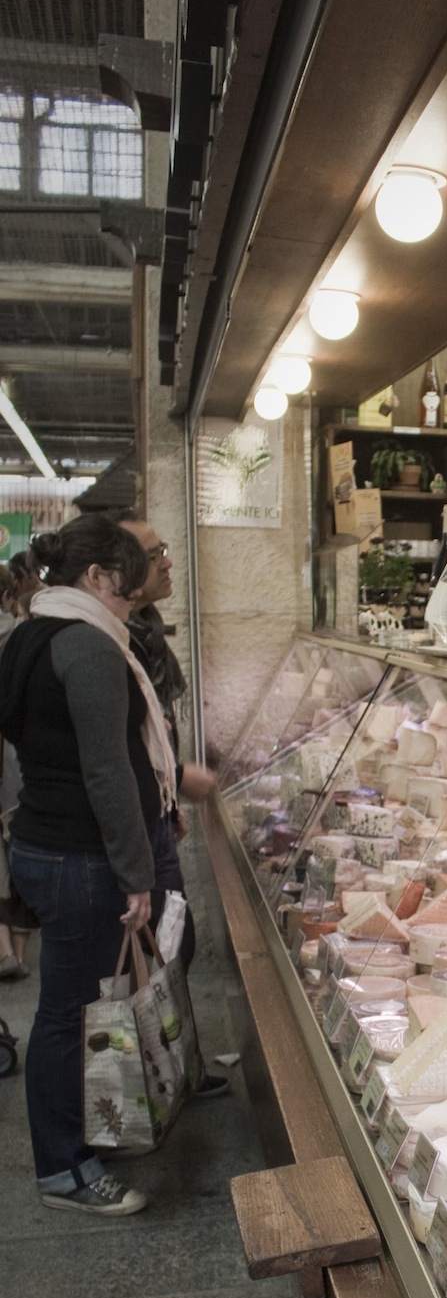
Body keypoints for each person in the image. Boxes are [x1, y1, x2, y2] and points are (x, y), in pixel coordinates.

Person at [0, 516, 200, 1214]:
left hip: (43, 843)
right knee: (66, 1016)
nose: (133, 595)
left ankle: (79, 1139)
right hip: (79, 856)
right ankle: (64, 1171)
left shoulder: (29, 633)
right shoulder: (87, 645)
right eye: (127, 581)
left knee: (69, 1010)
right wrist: (135, 874)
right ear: (94, 578)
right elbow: (108, 771)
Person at [114, 511, 227, 1099]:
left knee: (174, 940)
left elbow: (161, 722)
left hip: (156, 809)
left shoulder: (148, 629)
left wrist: (171, 789)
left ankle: (175, 1069)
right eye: (153, 554)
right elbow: (120, 744)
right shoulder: (111, 639)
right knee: (151, 950)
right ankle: (152, 1081)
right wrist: (177, 775)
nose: (165, 563)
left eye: (164, 550)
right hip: (133, 818)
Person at [0, 560, 36, 979]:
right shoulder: (21, 637)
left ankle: (4, 949)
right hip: (14, 757)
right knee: (20, 844)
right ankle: (22, 954)